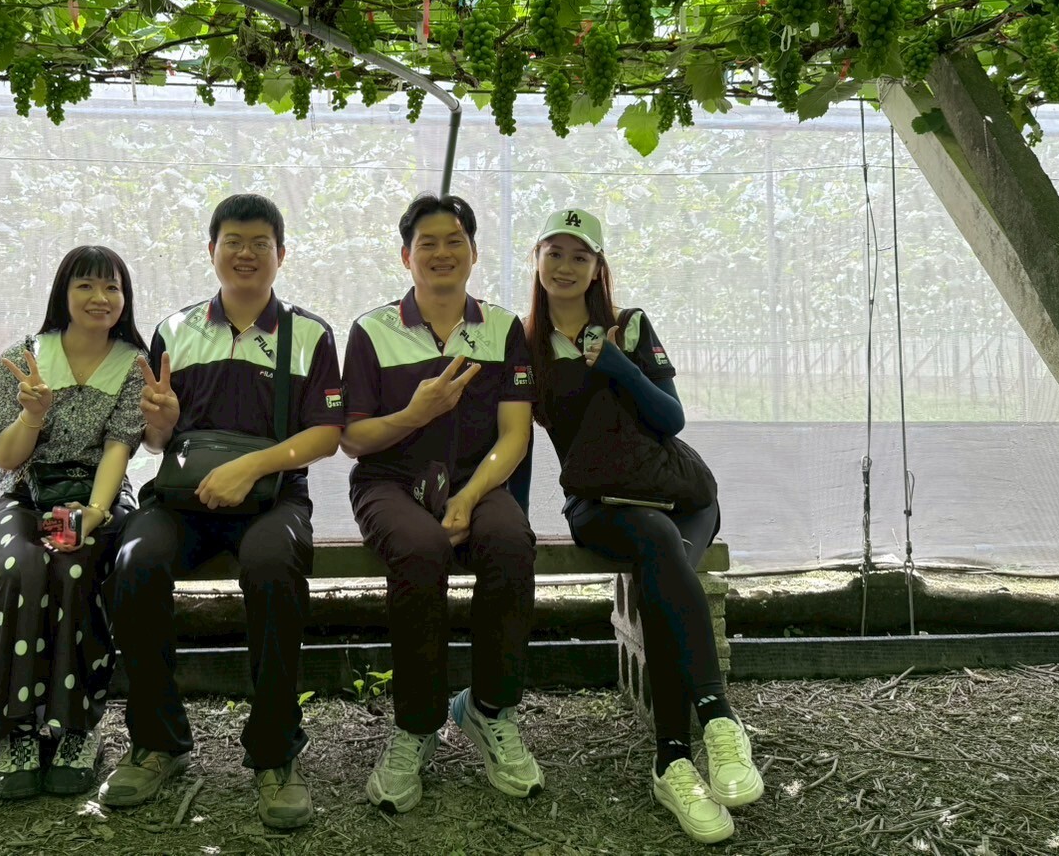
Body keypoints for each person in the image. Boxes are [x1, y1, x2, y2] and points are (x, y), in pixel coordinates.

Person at [100, 194, 344, 829]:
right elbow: (157, 441)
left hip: (273, 497)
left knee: (272, 565)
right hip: (182, 498)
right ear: (211, 250)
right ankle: (157, 741)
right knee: (134, 560)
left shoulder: (309, 334)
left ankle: (275, 752)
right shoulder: (176, 329)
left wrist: (251, 467)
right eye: (233, 241)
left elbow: (326, 435)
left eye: (260, 243)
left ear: (281, 254)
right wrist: (161, 423)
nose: (246, 254)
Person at [525, 207, 762, 844]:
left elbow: (671, 419)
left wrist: (617, 364)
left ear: (597, 267)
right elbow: (514, 437)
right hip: (598, 504)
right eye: (555, 252)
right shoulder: (525, 347)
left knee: (663, 563)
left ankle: (676, 758)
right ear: (537, 259)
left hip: (678, 492)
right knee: (660, 551)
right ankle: (714, 715)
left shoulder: (628, 327)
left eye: (580, 255)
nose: (566, 266)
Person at [340, 192, 540, 815]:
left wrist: (470, 496)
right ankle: (416, 726)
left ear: (474, 253)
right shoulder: (373, 330)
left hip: (478, 482)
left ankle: (489, 710)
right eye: (427, 243)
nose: (442, 252)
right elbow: (353, 440)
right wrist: (415, 412)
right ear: (407, 256)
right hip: (389, 483)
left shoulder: (503, 329)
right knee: (421, 550)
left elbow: (515, 435)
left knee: (511, 542)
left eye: (455, 241)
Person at [0, 245, 148, 799]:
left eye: (112, 287)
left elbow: (119, 448)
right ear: (62, 294)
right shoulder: (24, 359)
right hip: (28, 499)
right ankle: (17, 730)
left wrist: (91, 515)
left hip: (98, 501)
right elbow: (6, 458)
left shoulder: (134, 365)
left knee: (75, 567)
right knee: (23, 570)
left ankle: (76, 729)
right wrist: (32, 415)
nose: (100, 298)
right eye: (85, 286)